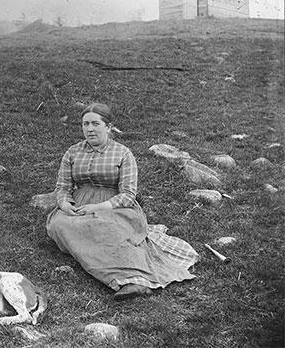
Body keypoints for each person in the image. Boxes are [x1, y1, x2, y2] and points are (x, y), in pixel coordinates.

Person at [46, 103, 198, 301]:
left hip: (115, 206)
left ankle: (130, 280)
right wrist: (66, 205)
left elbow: (128, 193)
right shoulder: (72, 152)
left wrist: (99, 207)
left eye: (95, 124)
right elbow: (63, 187)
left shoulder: (123, 153)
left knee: (106, 228)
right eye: (85, 124)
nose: (89, 129)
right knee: (60, 224)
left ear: (108, 127)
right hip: (79, 204)